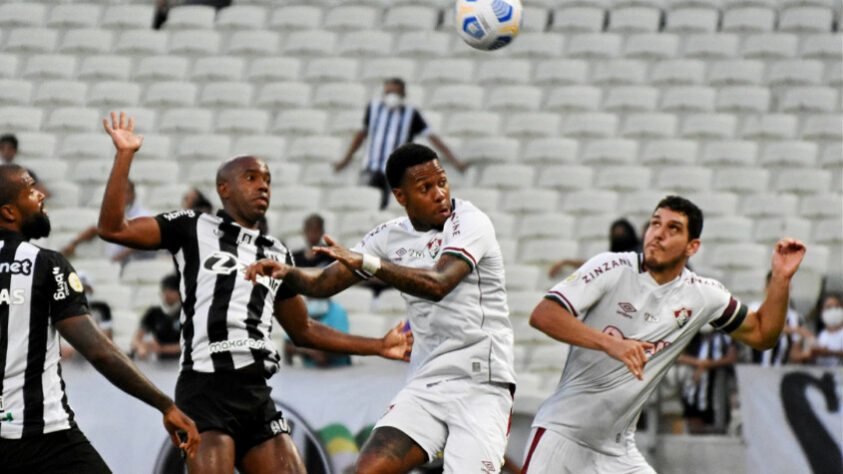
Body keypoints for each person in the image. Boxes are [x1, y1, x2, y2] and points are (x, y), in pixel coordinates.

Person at [96, 112, 412, 474]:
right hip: (205, 388)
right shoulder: (193, 227)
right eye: (251, 178)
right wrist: (124, 156)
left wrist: (377, 346)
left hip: (255, 392)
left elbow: (304, 330)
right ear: (224, 189)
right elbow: (112, 229)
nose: (263, 186)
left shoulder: (277, 253)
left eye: (267, 180)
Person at [247, 142, 516, 473]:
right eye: (425, 188)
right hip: (427, 382)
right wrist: (288, 274)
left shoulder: (470, 222)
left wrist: (370, 263)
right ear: (401, 197)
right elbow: (323, 284)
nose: (440, 194)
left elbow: (439, 284)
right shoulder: (389, 236)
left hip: (481, 383)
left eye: (442, 182)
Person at [521, 195, 806, 473]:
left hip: (617, 451)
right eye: (655, 223)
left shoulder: (702, 294)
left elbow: (762, 335)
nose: (658, 234)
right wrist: (612, 344)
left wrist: (781, 279)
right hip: (562, 435)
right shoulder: (611, 267)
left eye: (673, 228)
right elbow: (544, 314)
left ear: (692, 246)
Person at [0, 163, 199, 472]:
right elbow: (99, 351)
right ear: (9, 213)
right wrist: (164, 403)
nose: (41, 193)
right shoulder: (46, 265)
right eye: (30, 190)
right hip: (44, 437)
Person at [335, 78, 467, 209]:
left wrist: (455, 162)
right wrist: (345, 160)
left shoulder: (411, 114)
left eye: (396, 93)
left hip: (394, 173)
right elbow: (361, 135)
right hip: (371, 169)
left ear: (403, 95)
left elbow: (432, 137)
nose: (392, 96)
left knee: (385, 209)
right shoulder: (374, 109)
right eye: (389, 92)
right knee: (362, 205)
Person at [60, 180, 154, 265]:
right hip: (115, 263)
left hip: (135, 263)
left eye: (126, 192)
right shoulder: (114, 213)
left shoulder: (143, 215)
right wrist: (74, 244)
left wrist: (120, 257)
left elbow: (143, 240)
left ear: (133, 194)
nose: (122, 196)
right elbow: (95, 229)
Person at [676, 329, 737, 434]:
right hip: (694, 385)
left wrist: (708, 365)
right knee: (694, 420)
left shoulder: (725, 335)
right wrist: (700, 364)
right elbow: (679, 356)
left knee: (715, 424)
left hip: (716, 385)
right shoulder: (693, 333)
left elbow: (732, 358)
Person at [747, 271, 810, 365]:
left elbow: (794, 354)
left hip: (780, 372)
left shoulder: (794, 317)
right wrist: (792, 330)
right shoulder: (755, 308)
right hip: (756, 369)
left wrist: (807, 354)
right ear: (766, 289)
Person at [549, 218, 640, 278]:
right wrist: (566, 262)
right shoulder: (613, 257)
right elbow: (594, 264)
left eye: (622, 233)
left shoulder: (640, 253)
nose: (619, 236)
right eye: (616, 234)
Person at [60, 273, 114, 360]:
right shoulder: (60, 311)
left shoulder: (102, 310)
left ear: (92, 291)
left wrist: (73, 349)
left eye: (85, 290)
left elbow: (106, 341)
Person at [131, 274, 182, 361]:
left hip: (182, 362)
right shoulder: (154, 313)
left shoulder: (188, 313)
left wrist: (162, 348)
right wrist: (141, 347)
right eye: (165, 290)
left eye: (171, 291)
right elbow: (137, 338)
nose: (167, 294)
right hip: (161, 363)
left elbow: (190, 345)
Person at [809, 295, 843, 366]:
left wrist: (829, 352)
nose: (833, 310)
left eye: (836, 307)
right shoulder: (822, 334)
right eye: (829, 307)